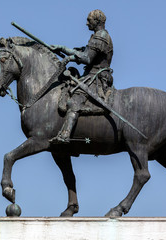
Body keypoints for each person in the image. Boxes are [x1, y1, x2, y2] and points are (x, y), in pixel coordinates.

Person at [50, 9, 114, 144]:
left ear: (97, 22)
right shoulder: (97, 35)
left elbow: (86, 58)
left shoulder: (100, 36)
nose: (86, 23)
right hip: (92, 74)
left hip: (96, 77)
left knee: (75, 100)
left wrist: (69, 58)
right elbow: (83, 51)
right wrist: (62, 48)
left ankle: (65, 135)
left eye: (89, 20)